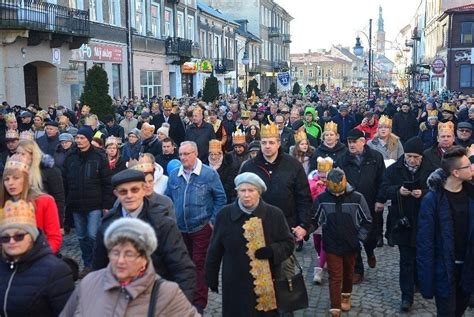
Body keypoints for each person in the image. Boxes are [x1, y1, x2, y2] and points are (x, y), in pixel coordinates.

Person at [92, 169, 196, 301]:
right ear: (116, 194)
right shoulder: (107, 225)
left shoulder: (162, 223)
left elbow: (182, 268)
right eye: (123, 191)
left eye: (134, 190)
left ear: (143, 189)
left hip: (156, 299)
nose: (129, 195)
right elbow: (99, 268)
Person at [64, 217, 199, 316]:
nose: (120, 261)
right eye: (115, 253)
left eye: (129, 254)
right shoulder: (89, 283)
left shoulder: (167, 293)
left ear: (144, 259)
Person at [205, 172, 294, 316]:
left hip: (267, 282)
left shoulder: (274, 214)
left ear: (258, 192)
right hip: (235, 282)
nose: (246, 195)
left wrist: (272, 251)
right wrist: (211, 276)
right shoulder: (225, 215)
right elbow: (215, 249)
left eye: (251, 190)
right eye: (242, 190)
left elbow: (289, 244)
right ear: (237, 192)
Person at [240, 123, 312, 285]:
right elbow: (237, 197)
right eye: (264, 142)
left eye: (271, 142)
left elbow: (304, 198)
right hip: (255, 228)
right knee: (257, 277)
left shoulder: (293, 165)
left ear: (278, 143)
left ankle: (285, 309)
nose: (267, 146)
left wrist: (304, 225)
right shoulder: (249, 167)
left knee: (285, 277)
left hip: (286, 229)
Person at [166, 141, 226, 313]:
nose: (183, 158)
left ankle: (199, 303)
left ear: (196, 153)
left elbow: (220, 198)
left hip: (201, 228)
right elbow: (168, 199)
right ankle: (184, 297)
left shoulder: (208, 174)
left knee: (199, 265)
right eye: (181, 155)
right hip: (180, 229)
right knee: (183, 264)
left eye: (186, 154)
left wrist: (212, 222)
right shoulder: (174, 175)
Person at [417, 146, 474, 317]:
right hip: (444, 270)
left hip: (468, 267)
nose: (472, 168)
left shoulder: (471, 194)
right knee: (447, 312)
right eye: (468, 166)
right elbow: (425, 243)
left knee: (460, 310)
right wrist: (427, 281)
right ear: (456, 173)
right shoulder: (432, 200)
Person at [311, 168, 372, 317]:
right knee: (335, 274)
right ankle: (335, 305)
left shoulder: (357, 198)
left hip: (351, 243)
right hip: (331, 243)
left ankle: (346, 295)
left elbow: (368, 221)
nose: (337, 194)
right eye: (334, 192)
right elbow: (314, 220)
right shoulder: (322, 199)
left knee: (348, 273)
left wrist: (359, 238)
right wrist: (304, 230)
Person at [0, 199, 74, 316]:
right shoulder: (2, 265)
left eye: (19, 236)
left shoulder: (56, 271)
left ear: (32, 236)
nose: (12, 241)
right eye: (5, 238)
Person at [62, 125, 114, 278]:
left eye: (82, 138)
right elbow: (64, 180)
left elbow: (106, 182)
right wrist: (66, 201)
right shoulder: (71, 157)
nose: (78, 140)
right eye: (77, 138)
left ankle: (98, 263)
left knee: (92, 235)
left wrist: (106, 204)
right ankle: (87, 264)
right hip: (76, 204)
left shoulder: (99, 157)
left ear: (89, 139)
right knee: (81, 237)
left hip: (95, 204)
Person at [336, 129, 385, 283]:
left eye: (354, 141)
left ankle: (370, 251)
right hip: (350, 204)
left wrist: (381, 199)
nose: (351, 145)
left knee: (370, 235)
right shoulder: (342, 159)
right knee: (352, 238)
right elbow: (338, 180)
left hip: (371, 203)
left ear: (363, 142)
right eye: (349, 142)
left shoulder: (375, 157)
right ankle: (357, 269)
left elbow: (383, 180)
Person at [381, 137, 425, 312]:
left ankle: (417, 282)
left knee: (419, 257)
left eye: (416, 157)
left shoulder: (429, 169)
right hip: (402, 220)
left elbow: (438, 190)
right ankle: (406, 297)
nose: (412, 160)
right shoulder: (394, 170)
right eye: (409, 156)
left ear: (421, 157)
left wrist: (423, 192)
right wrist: (398, 191)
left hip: (423, 221)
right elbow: (384, 189)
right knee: (406, 260)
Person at [0, 154, 62, 253]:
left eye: (16, 178)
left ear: (26, 179)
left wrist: (40, 258)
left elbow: (54, 238)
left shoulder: (45, 201)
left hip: (39, 259)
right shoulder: (3, 204)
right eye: (6, 179)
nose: (10, 183)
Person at [16, 139, 66, 232]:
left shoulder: (50, 171)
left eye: (22, 154)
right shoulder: (16, 171)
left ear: (32, 154)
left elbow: (59, 198)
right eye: (17, 153)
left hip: (44, 217)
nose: (19, 157)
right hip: (23, 218)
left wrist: (59, 224)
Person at [307, 156, 334, 284]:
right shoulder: (312, 181)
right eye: (321, 176)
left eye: (325, 177)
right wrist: (315, 187)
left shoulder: (333, 182)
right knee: (317, 241)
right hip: (316, 215)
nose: (323, 179)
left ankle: (319, 269)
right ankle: (321, 257)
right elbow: (308, 196)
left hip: (329, 216)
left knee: (325, 242)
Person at [420, 121, 456, 186]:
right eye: (443, 136)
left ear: (453, 138)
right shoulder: (427, 154)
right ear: (438, 139)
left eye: (448, 136)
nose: (446, 139)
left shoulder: (461, 153)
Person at [208, 139, 236, 204]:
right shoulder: (205, 164)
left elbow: (230, 184)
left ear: (220, 154)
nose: (213, 157)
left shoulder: (228, 165)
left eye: (216, 154)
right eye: (211, 154)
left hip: (224, 197)